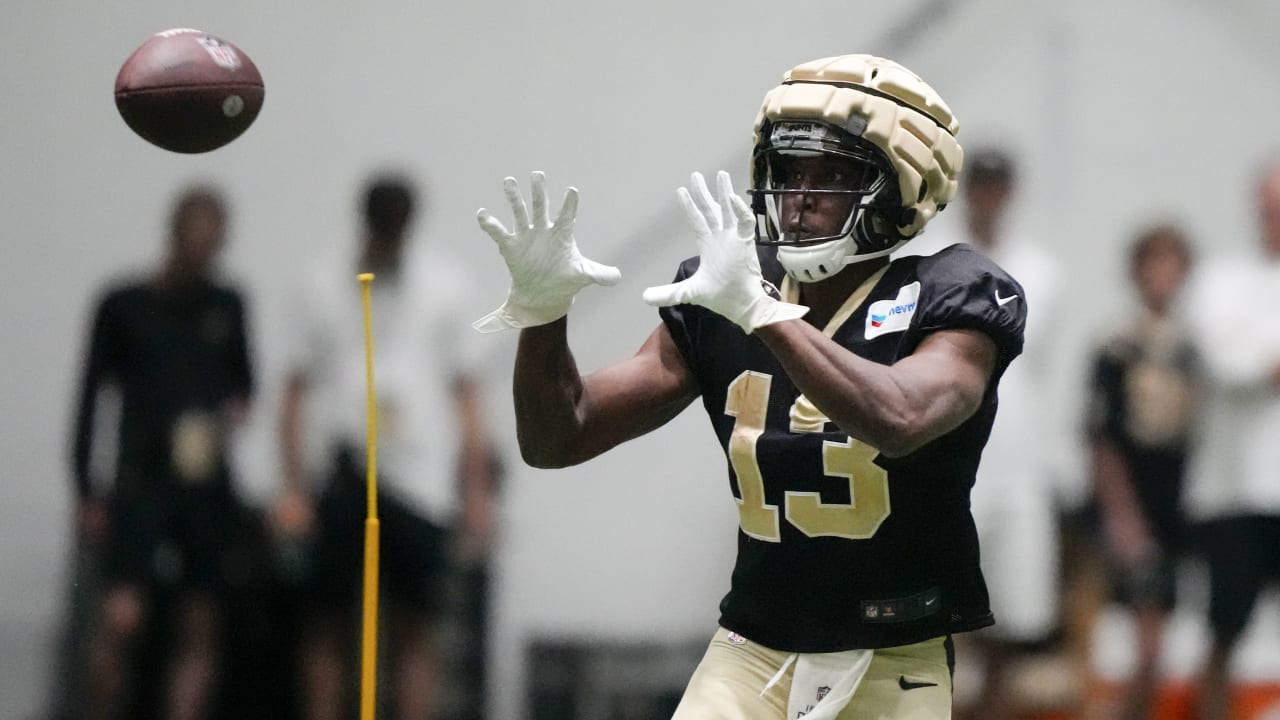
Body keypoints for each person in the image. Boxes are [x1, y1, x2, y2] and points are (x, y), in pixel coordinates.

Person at [473, 54, 1026, 720]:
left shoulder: (951, 293)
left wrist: (766, 317)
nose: (802, 193)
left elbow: (900, 418)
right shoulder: (729, 291)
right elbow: (561, 435)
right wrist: (544, 315)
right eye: (791, 171)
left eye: (834, 173)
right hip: (750, 653)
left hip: (893, 658)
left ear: (900, 186)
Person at [275, 173, 495, 720]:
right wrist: (293, 489)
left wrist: (475, 492)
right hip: (342, 473)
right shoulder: (322, 282)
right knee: (327, 622)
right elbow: (295, 393)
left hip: (419, 482)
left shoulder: (446, 284)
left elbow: (465, 393)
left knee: (416, 624)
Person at [70, 185, 255, 720]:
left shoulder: (227, 305)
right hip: (139, 480)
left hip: (204, 483)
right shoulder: (124, 305)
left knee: (200, 623)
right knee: (121, 617)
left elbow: (245, 383)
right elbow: (89, 399)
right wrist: (87, 486)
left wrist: (228, 416)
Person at [899, 147, 1072, 719]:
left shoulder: (1041, 271)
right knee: (937, 602)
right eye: (982, 184)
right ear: (967, 189)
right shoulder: (928, 257)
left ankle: (990, 710)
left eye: (1000, 184)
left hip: (1016, 459)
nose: (990, 195)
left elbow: (1038, 368)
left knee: (1008, 610)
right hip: (943, 453)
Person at [1082, 224, 1199, 719]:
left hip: (1177, 502)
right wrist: (1122, 516)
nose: (1162, 276)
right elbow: (1100, 436)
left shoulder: (1191, 346)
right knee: (1129, 641)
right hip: (1128, 503)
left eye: (1172, 264)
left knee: (1160, 643)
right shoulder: (1117, 345)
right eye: (1153, 263)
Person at [1184, 162, 1280, 720]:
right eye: (1268, 205)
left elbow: (1248, 360)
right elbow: (1225, 364)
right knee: (1224, 631)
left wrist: (1258, 355)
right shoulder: (1222, 277)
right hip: (1233, 492)